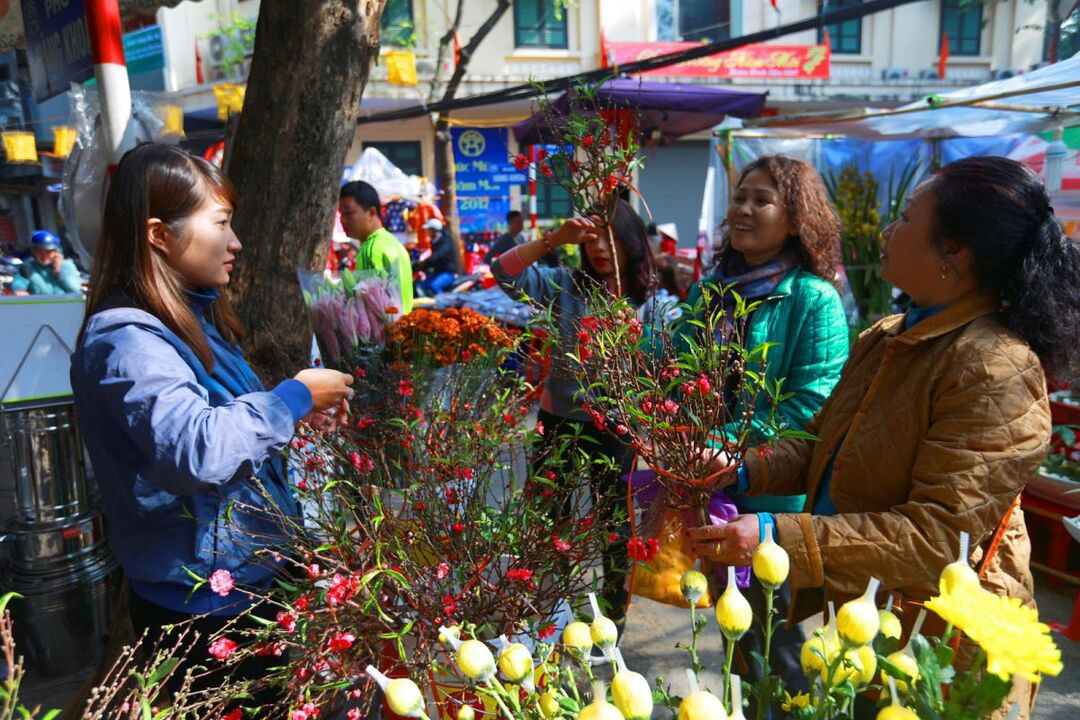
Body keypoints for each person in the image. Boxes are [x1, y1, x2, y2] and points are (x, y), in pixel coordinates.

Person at [690, 156, 1080, 720]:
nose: (886, 231)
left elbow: (938, 538)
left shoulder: (995, 367)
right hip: (872, 615)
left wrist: (776, 534)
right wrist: (740, 467)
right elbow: (822, 443)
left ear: (954, 252)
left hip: (942, 643)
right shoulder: (890, 336)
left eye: (903, 219)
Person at [69, 143, 355, 698]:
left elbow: (221, 425)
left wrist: (295, 419)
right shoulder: (127, 341)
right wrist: (292, 398)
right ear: (159, 235)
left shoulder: (191, 320)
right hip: (202, 610)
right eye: (221, 223)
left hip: (248, 581)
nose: (236, 243)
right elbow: (195, 450)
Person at [673, 155, 849, 694]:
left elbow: (810, 407)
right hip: (710, 484)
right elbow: (682, 376)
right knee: (734, 635)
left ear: (796, 218)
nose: (744, 209)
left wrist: (728, 449)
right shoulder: (712, 291)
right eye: (740, 197)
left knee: (778, 646)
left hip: (774, 501)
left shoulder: (813, 299)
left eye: (762, 200)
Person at [492, 199, 655, 622]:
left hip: (617, 427)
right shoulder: (566, 284)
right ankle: (557, 603)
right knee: (550, 516)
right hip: (558, 420)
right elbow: (503, 273)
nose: (600, 247)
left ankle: (613, 611)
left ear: (632, 242)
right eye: (592, 237)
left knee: (614, 522)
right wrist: (554, 239)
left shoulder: (647, 302)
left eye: (612, 237)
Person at [338, 180, 414, 314]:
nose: (342, 220)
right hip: (403, 329)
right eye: (341, 214)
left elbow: (372, 308)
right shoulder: (394, 243)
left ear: (372, 212)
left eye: (348, 213)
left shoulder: (371, 249)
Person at [10, 230, 83, 295]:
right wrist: (19, 291)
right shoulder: (27, 267)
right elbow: (18, 285)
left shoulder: (66, 265)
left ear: (56, 251)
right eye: (39, 252)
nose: (44, 256)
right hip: (41, 307)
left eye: (48, 252)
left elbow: (76, 291)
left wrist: (58, 271)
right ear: (33, 252)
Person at [415, 218, 464, 296]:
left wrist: (424, 263)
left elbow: (437, 256)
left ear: (434, 230)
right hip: (438, 272)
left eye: (429, 230)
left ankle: (444, 304)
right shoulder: (434, 241)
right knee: (421, 285)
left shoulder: (446, 241)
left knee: (434, 286)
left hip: (448, 273)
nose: (427, 232)